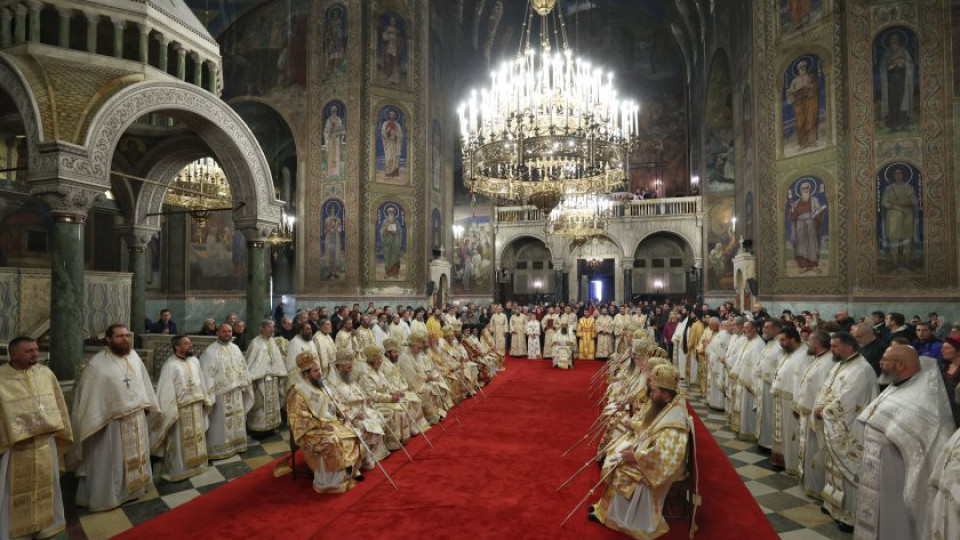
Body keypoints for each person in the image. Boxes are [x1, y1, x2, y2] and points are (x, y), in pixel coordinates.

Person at [854, 345, 953, 539]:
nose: (880, 363)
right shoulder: (897, 384)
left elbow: (921, 443)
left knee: (893, 522)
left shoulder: (921, 399)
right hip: (877, 467)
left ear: (900, 364)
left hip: (896, 473)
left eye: (885, 360)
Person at [589, 363, 690, 539]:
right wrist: (635, 446)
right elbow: (650, 432)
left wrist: (636, 456)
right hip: (649, 457)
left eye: (655, 390)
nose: (650, 394)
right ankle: (606, 511)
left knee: (623, 469)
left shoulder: (675, 420)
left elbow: (667, 456)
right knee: (617, 458)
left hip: (658, 468)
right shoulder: (665, 404)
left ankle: (627, 521)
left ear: (666, 395)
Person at [72, 324, 159, 512]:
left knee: (137, 456)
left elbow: (143, 382)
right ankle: (109, 497)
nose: (125, 339)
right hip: (110, 423)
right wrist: (98, 416)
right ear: (109, 340)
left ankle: (135, 490)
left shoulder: (134, 357)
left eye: (127, 335)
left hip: (135, 418)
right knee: (111, 462)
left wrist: (145, 403)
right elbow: (91, 396)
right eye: (120, 336)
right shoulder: (97, 364)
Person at [0, 337, 72, 538]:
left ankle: (47, 525)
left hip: (45, 443)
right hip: (15, 449)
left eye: (36, 349)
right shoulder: (2, 378)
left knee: (48, 483)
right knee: (10, 489)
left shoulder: (46, 373)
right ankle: (14, 531)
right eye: (28, 351)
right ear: (13, 354)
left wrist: (60, 430)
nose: (35, 354)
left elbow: (58, 404)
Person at [813, 331, 879, 531]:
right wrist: (820, 405)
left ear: (848, 347)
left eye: (834, 346)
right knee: (833, 466)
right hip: (835, 423)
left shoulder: (861, 369)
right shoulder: (842, 364)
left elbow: (847, 402)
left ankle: (849, 516)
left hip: (850, 427)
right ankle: (832, 504)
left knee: (847, 468)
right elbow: (827, 389)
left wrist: (825, 411)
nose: (831, 350)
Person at [286, 352, 365, 493]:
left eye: (320, 369)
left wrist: (344, 413)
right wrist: (321, 425)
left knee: (355, 431)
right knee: (333, 441)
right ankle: (333, 483)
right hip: (311, 430)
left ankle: (351, 472)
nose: (320, 373)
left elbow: (335, 402)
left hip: (331, 423)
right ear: (306, 373)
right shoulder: (297, 392)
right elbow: (299, 419)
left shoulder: (322, 385)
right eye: (316, 371)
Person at [149, 335, 213, 482]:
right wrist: (170, 411)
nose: (190, 345)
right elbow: (166, 391)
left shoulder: (195, 361)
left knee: (197, 436)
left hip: (196, 406)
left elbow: (201, 382)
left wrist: (205, 399)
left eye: (190, 343)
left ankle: (198, 465)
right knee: (179, 442)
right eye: (186, 343)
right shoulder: (170, 365)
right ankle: (178, 470)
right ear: (177, 346)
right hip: (180, 410)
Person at [200, 323, 254, 460]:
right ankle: (219, 449)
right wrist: (209, 395)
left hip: (236, 392)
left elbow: (243, 366)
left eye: (229, 331)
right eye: (224, 331)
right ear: (217, 332)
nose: (227, 334)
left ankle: (237, 445)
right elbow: (207, 374)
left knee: (237, 419)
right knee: (220, 423)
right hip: (220, 395)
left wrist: (245, 383)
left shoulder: (235, 348)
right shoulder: (210, 351)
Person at [327, 350, 389, 469]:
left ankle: (376, 454)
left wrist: (366, 399)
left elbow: (358, 393)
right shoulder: (332, 384)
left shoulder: (349, 378)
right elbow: (336, 405)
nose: (350, 369)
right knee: (364, 425)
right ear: (338, 367)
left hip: (363, 410)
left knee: (378, 416)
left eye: (351, 366)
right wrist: (354, 414)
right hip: (348, 417)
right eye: (347, 367)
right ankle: (365, 460)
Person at [795, 330, 834, 500]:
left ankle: (818, 487)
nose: (807, 345)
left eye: (810, 342)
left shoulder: (827, 363)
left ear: (816, 343)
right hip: (807, 411)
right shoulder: (818, 359)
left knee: (816, 450)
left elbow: (825, 391)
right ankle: (809, 482)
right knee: (808, 448)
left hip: (816, 416)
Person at [770, 327, 808, 475]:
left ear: (793, 339)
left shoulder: (804, 355)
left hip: (793, 401)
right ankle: (784, 459)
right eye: (779, 340)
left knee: (792, 434)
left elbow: (803, 381)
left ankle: (793, 465)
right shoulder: (789, 352)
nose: (780, 343)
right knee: (783, 432)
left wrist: (798, 403)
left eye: (783, 340)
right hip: (782, 398)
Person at [245, 320, 286, 434]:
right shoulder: (255, 343)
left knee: (273, 404)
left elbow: (277, 359)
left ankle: (272, 426)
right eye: (269, 327)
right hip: (260, 380)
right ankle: (259, 430)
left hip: (273, 379)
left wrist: (280, 373)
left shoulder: (272, 341)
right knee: (260, 405)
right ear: (262, 328)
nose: (272, 330)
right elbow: (251, 362)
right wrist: (252, 379)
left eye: (273, 327)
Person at [881, 168, 919, 267]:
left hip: (907, 215)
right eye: (896, 174)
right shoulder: (888, 189)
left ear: (903, 175)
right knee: (893, 238)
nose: (898, 176)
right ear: (893, 175)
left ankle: (907, 261)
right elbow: (884, 202)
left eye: (900, 173)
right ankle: (894, 262)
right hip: (893, 215)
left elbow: (915, 203)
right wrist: (895, 207)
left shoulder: (909, 187)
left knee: (907, 237)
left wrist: (911, 196)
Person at [878, 32, 915, 131]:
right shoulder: (887, 54)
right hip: (891, 80)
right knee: (892, 101)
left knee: (902, 99)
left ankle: (903, 123)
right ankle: (893, 125)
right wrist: (891, 64)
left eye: (895, 39)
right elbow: (883, 67)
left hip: (902, 79)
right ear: (889, 42)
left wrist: (901, 63)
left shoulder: (904, 51)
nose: (894, 41)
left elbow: (910, 64)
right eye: (892, 40)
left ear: (899, 41)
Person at [789, 180, 826, 273]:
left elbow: (818, 212)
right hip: (800, 225)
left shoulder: (814, 201)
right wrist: (792, 210)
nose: (805, 190)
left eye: (807, 188)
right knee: (801, 245)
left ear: (810, 189)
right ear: (800, 190)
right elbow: (793, 217)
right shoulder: (796, 203)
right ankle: (803, 266)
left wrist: (819, 213)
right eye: (803, 188)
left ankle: (813, 266)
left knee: (812, 244)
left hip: (811, 224)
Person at [786, 59, 819, 149]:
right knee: (800, 123)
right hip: (799, 103)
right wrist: (792, 92)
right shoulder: (795, 81)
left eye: (803, 67)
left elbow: (814, 87)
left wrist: (809, 87)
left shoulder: (809, 77)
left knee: (810, 120)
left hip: (809, 101)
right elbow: (790, 93)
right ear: (798, 69)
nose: (802, 69)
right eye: (800, 68)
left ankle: (812, 141)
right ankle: (802, 143)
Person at [323, 105, 345, 178]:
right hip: (330, 140)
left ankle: (336, 173)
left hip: (337, 140)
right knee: (330, 157)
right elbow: (326, 131)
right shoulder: (328, 120)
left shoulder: (339, 119)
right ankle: (330, 173)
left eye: (335, 111)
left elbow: (341, 129)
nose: (334, 112)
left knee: (336, 157)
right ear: (330, 112)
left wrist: (338, 133)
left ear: (336, 111)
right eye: (332, 111)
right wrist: (330, 131)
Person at [380, 205, 402, 277]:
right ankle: (388, 273)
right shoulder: (385, 221)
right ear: (387, 213)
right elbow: (382, 233)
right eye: (390, 212)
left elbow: (399, 232)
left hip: (395, 242)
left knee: (395, 257)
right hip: (387, 243)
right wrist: (385, 228)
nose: (391, 213)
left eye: (392, 212)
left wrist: (396, 232)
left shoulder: (397, 222)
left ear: (394, 213)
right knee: (387, 257)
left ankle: (395, 273)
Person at [381, 110, 404, 177]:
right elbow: (383, 133)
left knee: (395, 158)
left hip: (395, 143)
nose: (392, 116)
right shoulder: (385, 123)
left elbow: (400, 135)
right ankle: (388, 172)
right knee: (388, 158)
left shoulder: (397, 125)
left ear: (395, 116)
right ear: (388, 115)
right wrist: (388, 132)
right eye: (391, 114)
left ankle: (394, 173)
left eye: (393, 115)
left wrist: (396, 134)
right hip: (388, 143)